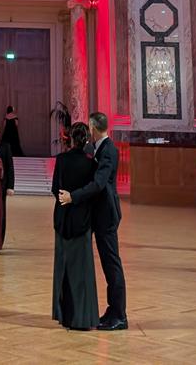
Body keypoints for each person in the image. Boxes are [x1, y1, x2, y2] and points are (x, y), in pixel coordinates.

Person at [57, 112, 125, 331]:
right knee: (107, 264)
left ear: (93, 128)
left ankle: (119, 315)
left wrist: (73, 197)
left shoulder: (109, 151)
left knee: (111, 264)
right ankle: (112, 310)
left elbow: (98, 184)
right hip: (97, 213)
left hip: (106, 215)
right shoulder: (97, 148)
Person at [51, 122, 98, 330]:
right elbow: (92, 192)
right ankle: (83, 318)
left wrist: (65, 198)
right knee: (82, 270)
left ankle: (65, 316)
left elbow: (55, 188)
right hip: (82, 219)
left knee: (63, 267)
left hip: (63, 218)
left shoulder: (61, 160)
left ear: (69, 138)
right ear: (86, 139)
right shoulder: (91, 163)